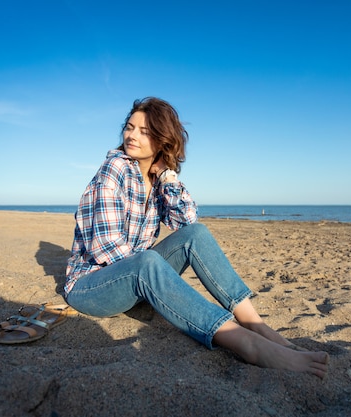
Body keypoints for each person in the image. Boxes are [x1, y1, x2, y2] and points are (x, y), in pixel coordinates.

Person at [64, 97, 328, 378]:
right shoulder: (114, 170)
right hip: (91, 286)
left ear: (163, 140)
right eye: (129, 127)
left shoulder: (156, 178)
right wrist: (160, 277)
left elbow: (186, 223)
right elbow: (108, 249)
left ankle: (254, 323)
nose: (131, 136)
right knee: (147, 261)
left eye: (144, 131)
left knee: (195, 234)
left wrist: (168, 177)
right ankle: (247, 343)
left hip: (137, 281)